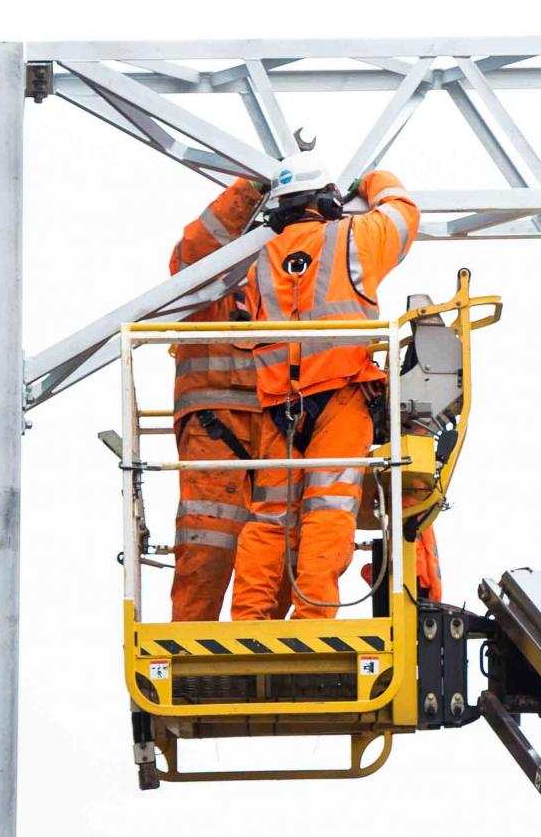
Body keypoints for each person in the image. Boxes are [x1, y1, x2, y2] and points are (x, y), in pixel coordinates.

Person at [230, 164, 418, 621]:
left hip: (280, 408)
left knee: (270, 517)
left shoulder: (256, 263)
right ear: (329, 202)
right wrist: (375, 178)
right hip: (340, 394)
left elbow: (241, 333)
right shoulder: (354, 238)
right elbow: (404, 214)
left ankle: (249, 617)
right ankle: (313, 617)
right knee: (329, 508)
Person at [166, 176, 270, 622]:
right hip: (217, 430)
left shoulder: (291, 275)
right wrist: (252, 190)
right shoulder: (208, 278)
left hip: (278, 427)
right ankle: (189, 651)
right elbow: (192, 249)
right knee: (206, 547)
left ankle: (269, 654)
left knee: (277, 553)